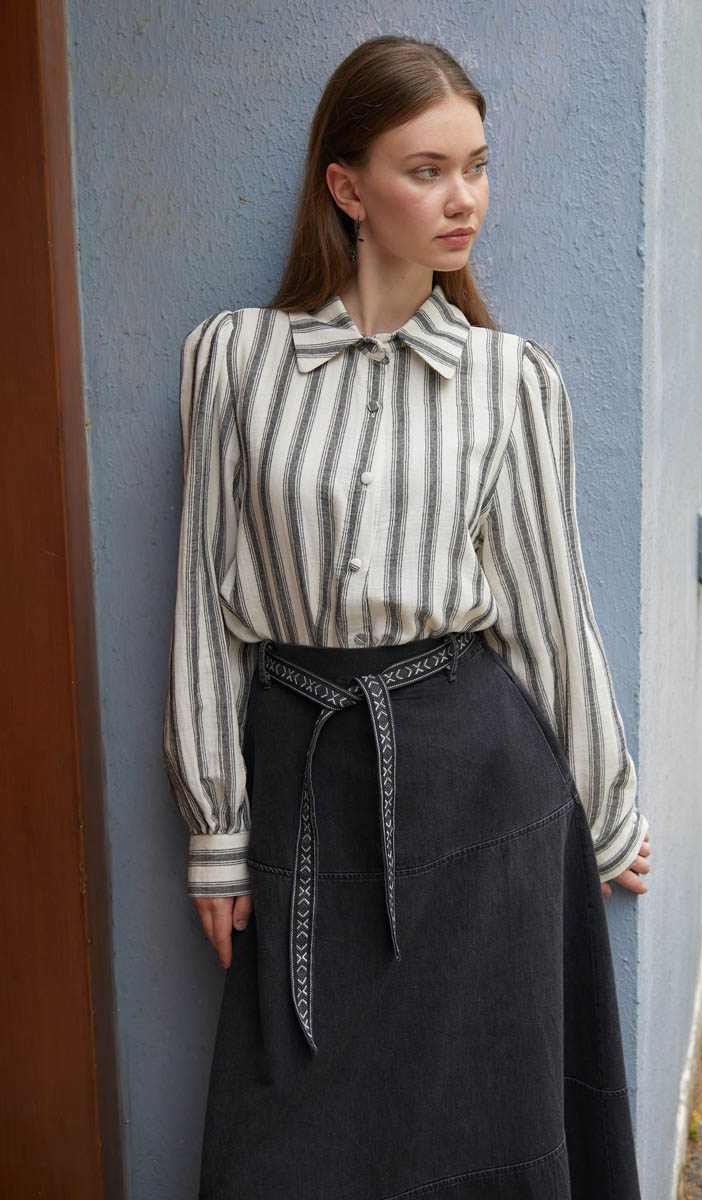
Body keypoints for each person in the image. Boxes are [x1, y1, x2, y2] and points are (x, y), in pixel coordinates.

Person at [163, 33, 652, 1200]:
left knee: (484, 1130)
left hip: (478, 797)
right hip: (301, 779)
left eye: (474, 167)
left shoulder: (508, 381)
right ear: (347, 188)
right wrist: (215, 832)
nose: (462, 199)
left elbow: (548, 615)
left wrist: (609, 812)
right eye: (425, 170)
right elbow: (201, 607)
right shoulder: (233, 360)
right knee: (286, 1147)